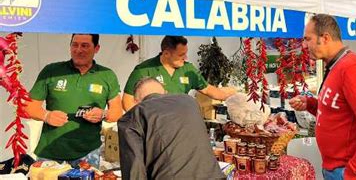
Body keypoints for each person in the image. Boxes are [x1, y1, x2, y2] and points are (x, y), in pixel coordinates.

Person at [289, 14, 356, 179]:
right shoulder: (336, 66)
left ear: (325, 38)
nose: (304, 45)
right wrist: (310, 104)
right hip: (335, 168)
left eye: (308, 39)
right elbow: (336, 111)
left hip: (347, 170)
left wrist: (353, 172)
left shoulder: (352, 69)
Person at [25, 34, 123, 168]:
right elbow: (28, 106)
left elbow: (117, 112)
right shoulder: (52, 71)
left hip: (88, 153)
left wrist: (103, 114)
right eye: (74, 45)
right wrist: (46, 116)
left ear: (97, 48)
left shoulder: (107, 75)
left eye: (85, 45)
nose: (78, 50)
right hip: (50, 151)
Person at [118, 77, 224, 180]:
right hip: (213, 175)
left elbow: (134, 169)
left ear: (137, 102)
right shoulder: (189, 102)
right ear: (164, 92)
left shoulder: (134, 115)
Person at [122, 36, 235, 111]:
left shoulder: (188, 69)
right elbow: (127, 102)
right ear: (166, 53)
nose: (185, 57)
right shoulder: (144, 69)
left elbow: (207, 89)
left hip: (179, 123)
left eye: (185, 53)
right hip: (153, 125)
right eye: (181, 55)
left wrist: (229, 96)